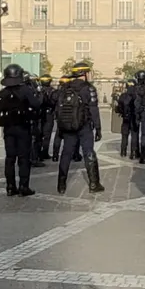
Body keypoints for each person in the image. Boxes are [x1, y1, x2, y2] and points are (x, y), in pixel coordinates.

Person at [55, 61, 104, 194]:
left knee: (66, 153)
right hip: (84, 125)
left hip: (68, 126)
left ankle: (61, 185)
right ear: (85, 74)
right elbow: (94, 109)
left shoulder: (65, 87)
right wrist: (98, 128)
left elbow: (58, 109)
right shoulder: (89, 88)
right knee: (88, 152)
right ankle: (94, 184)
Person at [0, 63, 37, 198]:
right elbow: (36, 104)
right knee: (24, 158)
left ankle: (10, 186)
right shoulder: (25, 90)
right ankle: (23, 186)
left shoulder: (2, 93)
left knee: (10, 158)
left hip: (8, 129)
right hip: (23, 128)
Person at [115, 79, 138, 159]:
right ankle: (134, 153)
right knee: (134, 135)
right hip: (134, 118)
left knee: (124, 136)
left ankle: (123, 151)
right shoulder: (137, 96)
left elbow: (118, 109)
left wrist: (122, 112)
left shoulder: (123, 96)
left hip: (125, 119)